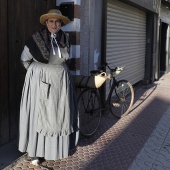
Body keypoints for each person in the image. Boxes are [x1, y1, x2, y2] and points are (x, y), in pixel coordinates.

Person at [18, 9, 79, 165]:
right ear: (46, 23)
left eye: (57, 21)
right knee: (39, 115)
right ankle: (35, 152)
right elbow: (25, 60)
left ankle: (57, 149)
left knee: (59, 114)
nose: (54, 24)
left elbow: (66, 59)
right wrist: (37, 75)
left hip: (61, 83)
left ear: (60, 24)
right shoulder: (36, 39)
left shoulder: (65, 38)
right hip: (40, 82)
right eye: (51, 21)